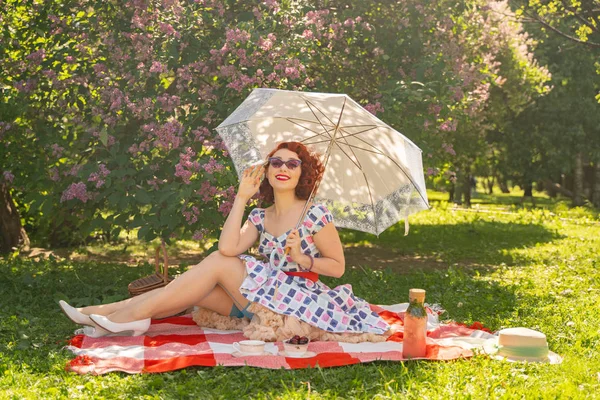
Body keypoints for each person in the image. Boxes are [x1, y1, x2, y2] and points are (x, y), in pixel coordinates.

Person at [59, 141, 390, 337]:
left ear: (304, 173)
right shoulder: (261, 216)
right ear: (267, 171)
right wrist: (242, 197)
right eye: (276, 162)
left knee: (217, 265)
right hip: (263, 296)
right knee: (190, 289)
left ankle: (120, 321)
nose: (283, 168)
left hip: (298, 300)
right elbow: (230, 247)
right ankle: (99, 316)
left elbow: (338, 268)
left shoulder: (315, 214)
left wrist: (302, 257)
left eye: (293, 163)